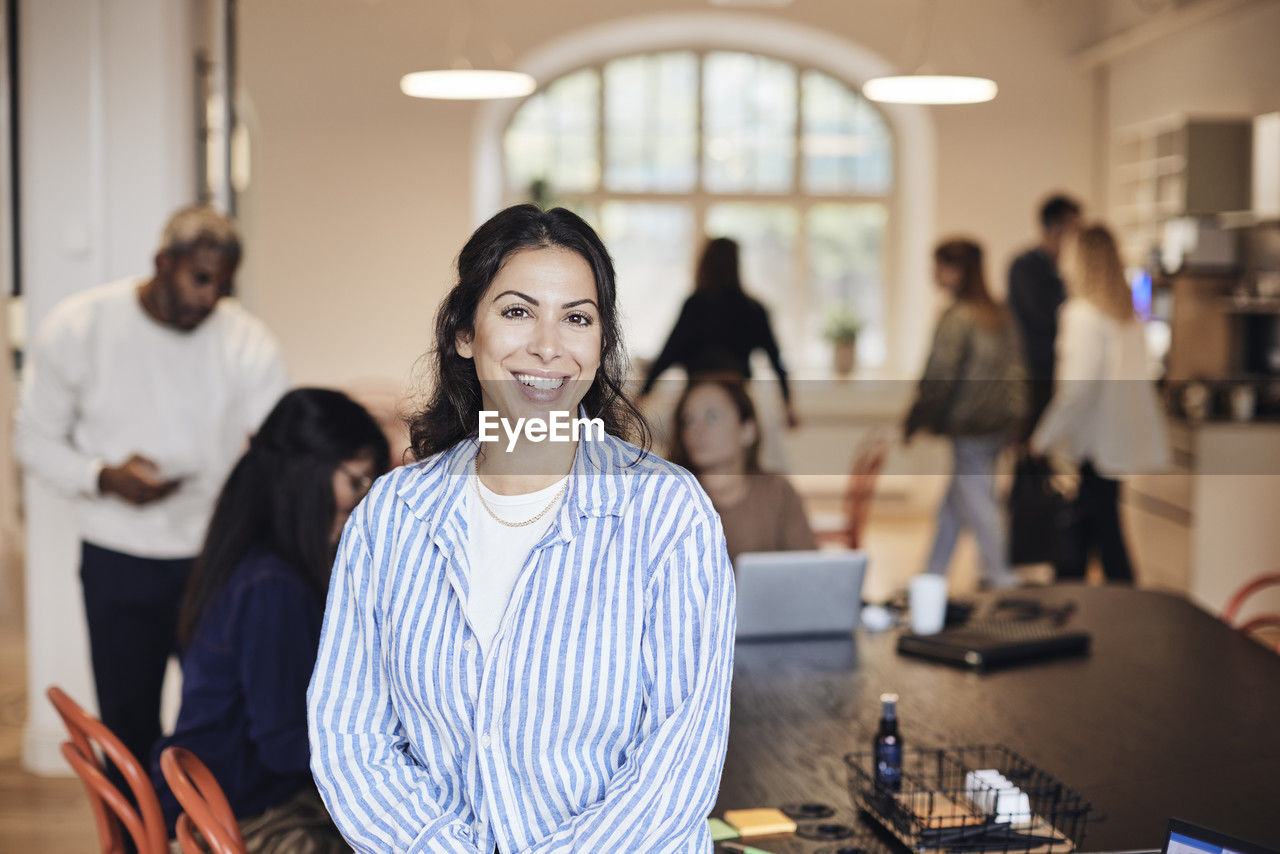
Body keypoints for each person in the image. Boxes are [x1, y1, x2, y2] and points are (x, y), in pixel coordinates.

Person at [307, 205, 736, 854]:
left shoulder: (666, 515)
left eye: (577, 318)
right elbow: (350, 739)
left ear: (601, 344)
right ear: (463, 332)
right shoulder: (391, 518)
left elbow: (678, 764)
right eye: (516, 311)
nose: (548, 345)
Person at [15, 205, 288, 776]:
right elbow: (34, 442)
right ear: (163, 263)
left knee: (223, 723)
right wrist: (103, 476)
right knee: (127, 726)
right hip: (118, 559)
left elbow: (277, 453)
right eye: (200, 278)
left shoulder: (247, 339)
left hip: (216, 560)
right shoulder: (80, 326)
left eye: (224, 284)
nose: (212, 297)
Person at [149, 388, 387, 851]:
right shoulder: (272, 585)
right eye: (357, 482)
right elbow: (283, 746)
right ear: (306, 473)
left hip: (203, 794)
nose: (363, 501)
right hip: (225, 816)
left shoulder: (244, 556)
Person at [1031, 224, 1169, 583]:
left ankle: (1077, 609)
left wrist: (1043, 438)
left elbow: (1076, 391)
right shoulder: (1128, 317)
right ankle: (1083, 603)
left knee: (1097, 535)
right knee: (1097, 529)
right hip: (1116, 443)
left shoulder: (1082, 315)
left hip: (1093, 444)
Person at [904, 239, 1028, 589]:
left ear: (956, 270)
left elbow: (938, 376)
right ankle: (931, 577)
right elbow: (1019, 372)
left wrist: (915, 419)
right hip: (998, 427)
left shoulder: (957, 317)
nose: (934, 274)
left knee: (977, 501)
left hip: (970, 427)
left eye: (938, 266)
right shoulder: (999, 313)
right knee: (956, 503)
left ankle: (1001, 576)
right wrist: (1018, 422)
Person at [640, 236, 798, 427]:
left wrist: (643, 394)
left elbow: (668, 354)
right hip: (737, 399)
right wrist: (788, 405)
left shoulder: (695, 305)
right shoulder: (753, 308)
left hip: (697, 397)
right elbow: (776, 361)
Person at [668, 377, 815, 563]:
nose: (696, 430)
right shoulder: (671, 499)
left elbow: (809, 569)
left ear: (747, 430)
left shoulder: (779, 493)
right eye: (688, 421)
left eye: (712, 417)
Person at [1008, 193, 1082, 435]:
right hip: (1033, 375)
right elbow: (1042, 315)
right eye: (1075, 227)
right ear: (1056, 227)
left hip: (1059, 372)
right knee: (1031, 450)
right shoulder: (1025, 266)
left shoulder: (1064, 268)